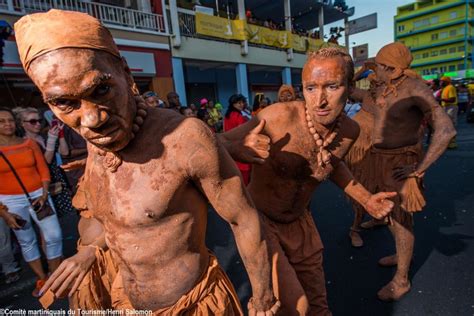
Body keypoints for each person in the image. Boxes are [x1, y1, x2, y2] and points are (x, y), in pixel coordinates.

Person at [15, 10, 279, 314]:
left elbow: (242, 218)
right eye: (64, 102)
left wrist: (263, 298)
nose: (91, 118)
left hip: (191, 306)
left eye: (101, 90)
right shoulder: (96, 141)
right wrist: (89, 253)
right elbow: (122, 223)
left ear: (126, 75)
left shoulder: (186, 137)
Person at [219, 47, 395, 315]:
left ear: (350, 87)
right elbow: (215, 143)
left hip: (301, 224)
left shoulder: (349, 131)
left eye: (332, 86)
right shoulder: (277, 117)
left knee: (318, 305)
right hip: (261, 222)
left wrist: (367, 200)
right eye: (311, 88)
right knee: (297, 306)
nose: (320, 100)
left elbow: (333, 167)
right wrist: (238, 147)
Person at [345, 42, 455, 301]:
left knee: (401, 219)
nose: (376, 71)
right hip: (380, 160)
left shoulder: (414, 89)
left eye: (380, 67)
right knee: (391, 217)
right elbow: (352, 92)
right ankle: (401, 253)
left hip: (401, 165)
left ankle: (402, 279)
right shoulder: (382, 90)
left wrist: (420, 168)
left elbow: (446, 129)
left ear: (392, 69)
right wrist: (364, 69)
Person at [0, 107, 63, 297]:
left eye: (10, 120)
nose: (7, 124)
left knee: (54, 235)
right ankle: (42, 278)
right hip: (10, 201)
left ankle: (56, 276)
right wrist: (3, 212)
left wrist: (44, 195)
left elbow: (44, 170)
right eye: (2, 121)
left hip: (38, 196)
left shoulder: (29, 143)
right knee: (27, 241)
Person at [14, 107, 75, 217]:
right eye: (33, 121)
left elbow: (64, 152)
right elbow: (46, 161)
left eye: (40, 121)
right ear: (22, 124)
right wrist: (52, 140)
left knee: (68, 217)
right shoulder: (24, 143)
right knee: (49, 218)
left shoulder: (44, 137)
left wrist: (60, 134)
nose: (38, 124)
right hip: (42, 186)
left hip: (57, 180)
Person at [224, 94, 252, 185]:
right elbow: (242, 131)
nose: (241, 105)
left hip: (229, 144)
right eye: (238, 103)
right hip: (240, 145)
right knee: (244, 169)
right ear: (233, 104)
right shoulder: (238, 116)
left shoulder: (227, 115)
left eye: (242, 102)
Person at [440, 76, 458, 149]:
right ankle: (448, 142)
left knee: (451, 124)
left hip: (451, 107)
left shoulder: (450, 87)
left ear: (446, 81)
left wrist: (441, 99)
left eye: (442, 81)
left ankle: (452, 143)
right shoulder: (445, 88)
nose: (440, 82)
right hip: (446, 107)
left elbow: (452, 99)